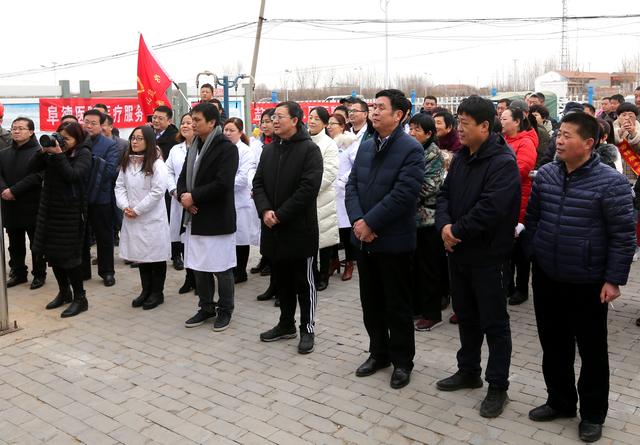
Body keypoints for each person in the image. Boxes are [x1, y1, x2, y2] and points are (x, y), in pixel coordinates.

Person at [524, 112, 635, 443]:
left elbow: (623, 236)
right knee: (553, 345)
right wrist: (534, 254)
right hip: (547, 276)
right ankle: (560, 401)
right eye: (559, 133)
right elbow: (533, 219)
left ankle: (592, 414)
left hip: (587, 280)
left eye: (568, 135)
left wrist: (613, 279)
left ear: (589, 143)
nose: (559, 139)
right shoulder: (546, 175)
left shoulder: (610, 183)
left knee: (592, 351)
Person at [434, 95, 520, 418]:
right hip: (458, 254)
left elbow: (491, 209)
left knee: (494, 323)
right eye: (458, 123)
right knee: (466, 316)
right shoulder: (460, 157)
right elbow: (445, 195)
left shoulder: (502, 162)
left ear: (485, 126)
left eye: (465, 124)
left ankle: (497, 385)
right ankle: (468, 370)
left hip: (488, 256)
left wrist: (456, 230)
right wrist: (444, 225)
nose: (460, 130)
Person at [346, 89, 424, 389]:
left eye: (381, 107)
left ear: (399, 115)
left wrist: (371, 222)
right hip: (365, 240)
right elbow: (352, 185)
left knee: (397, 305)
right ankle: (378, 352)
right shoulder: (366, 146)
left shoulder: (410, 149)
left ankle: (403, 361)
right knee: (371, 302)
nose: (374, 112)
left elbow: (404, 194)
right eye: (373, 106)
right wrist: (358, 222)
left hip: (393, 241)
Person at [253, 101, 323, 354]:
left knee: (304, 283)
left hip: (298, 229)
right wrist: (265, 211)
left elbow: (308, 190)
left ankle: (308, 328)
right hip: (273, 229)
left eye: (280, 117)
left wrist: (280, 215)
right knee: (281, 281)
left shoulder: (309, 150)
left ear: (295, 120)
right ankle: (286, 324)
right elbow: (258, 183)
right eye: (273, 117)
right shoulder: (269, 150)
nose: (274, 121)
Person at [177, 102, 238, 332]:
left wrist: (194, 197)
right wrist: (184, 196)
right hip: (195, 215)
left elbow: (223, 183)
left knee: (221, 268)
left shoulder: (226, 148)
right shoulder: (194, 146)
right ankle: (205, 306)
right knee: (199, 266)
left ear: (212, 122)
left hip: (217, 217)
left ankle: (225, 309)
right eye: (192, 118)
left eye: (197, 120)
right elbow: (184, 176)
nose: (192, 123)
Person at [29, 122, 91, 316]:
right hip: (50, 210)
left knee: (69, 258)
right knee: (53, 255)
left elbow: (73, 176)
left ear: (78, 139)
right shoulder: (53, 153)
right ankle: (64, 292)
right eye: (60, 136)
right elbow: (31, 168)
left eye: (67, 139)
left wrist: (58, 154)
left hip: (70, 213)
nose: (62, 142)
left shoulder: (84, 153)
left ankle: (80, 298)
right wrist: (43, 151)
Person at [115, 126, 170, 310]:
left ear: (148, 141)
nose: (135, 141)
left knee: (155, 256)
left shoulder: (156, 164)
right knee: (141, 256)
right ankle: (145, 291)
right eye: (133, 138)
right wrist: (125, 206)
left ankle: (157, 293)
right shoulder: (128, 162)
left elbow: (157, 192)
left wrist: (137, 209)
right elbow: (119, 186)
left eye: (139, 138)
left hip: (151, 217)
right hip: (132, 216)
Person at [408, 113, 446, 332]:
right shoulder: (411, 151)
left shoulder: (434, 155)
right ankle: (417, 307)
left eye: (417, 130)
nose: (412, 133)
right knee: (413, 267)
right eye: (410, 129)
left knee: (429, 268)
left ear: (429, 133)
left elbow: (430, 186)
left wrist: (404, 189)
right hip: (410, 219)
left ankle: (432, 313)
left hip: (428, 219)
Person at [0, 117, 47, 289]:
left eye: (21, 128)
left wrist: (14, 190)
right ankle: (18, 272)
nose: (16, 131)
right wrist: (5, 190)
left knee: (36, 242)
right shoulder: (4, 153)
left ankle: (39, 274)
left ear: (31, 131)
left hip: (31, 203)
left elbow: (37, 176)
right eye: (14, 128)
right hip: (9, 204)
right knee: (14, 243)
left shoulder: (40, 152)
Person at [500, 106, 538, 305]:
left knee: (521, 251)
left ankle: (522, 289)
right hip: (503, 200)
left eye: (505, 118)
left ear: (516, 121)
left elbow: (521, 170)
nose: (501, 120)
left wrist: (496, 175)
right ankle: (507, 286)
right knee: (507, 248)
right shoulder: (502, 140)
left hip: (521, 200)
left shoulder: (526, 142)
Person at [82, 109, 119, 286]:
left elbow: (111, 170)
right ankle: (83, 270)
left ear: (102, 125)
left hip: (100, 197)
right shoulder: (77, 141)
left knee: (104, 236)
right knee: (80, 235)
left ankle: (107, 272)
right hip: (79, 196)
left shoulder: (109, 145)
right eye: (86, 122)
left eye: (93, 123)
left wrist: (87, 160)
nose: (88, 126)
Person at [307, 107, 339, 291]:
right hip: (305, 198)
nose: (312, 121)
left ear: (325, 123)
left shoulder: (329, 144)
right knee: (309, 239)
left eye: (317, 119)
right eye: (310, 117)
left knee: (324, 238)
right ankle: (311, 272)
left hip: (322, 196)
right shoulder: (302, 140)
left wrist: (310, 190)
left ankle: (324, 274)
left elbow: (330, 172)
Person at [223, 117, 258, 284]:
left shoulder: (245, 151)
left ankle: (241, 271)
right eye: (226, 130)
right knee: (228, 237)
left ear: (240, 132)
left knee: (241, 237)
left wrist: (221, 184)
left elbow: (243, 178)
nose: (228, 133)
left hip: (240, 200)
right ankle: (230, 268)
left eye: (232, 130)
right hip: (224, 199)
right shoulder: (222, 149)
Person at [167, 114, 196, 294]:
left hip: (194, 202)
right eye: (183, 123)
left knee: (195, 242)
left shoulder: (202, 148)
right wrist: (174, 191)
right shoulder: (175, 149)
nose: (185, 126)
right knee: (184, 241)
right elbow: (168, 171)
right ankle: (189, 277)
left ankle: (201, 278)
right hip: (178, 201)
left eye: (189, 123)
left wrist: (190, 196)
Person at [328, 112, 358, 281]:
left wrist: (341, 181)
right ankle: (333, 261)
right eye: (329, 123)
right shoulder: (326, 143)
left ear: (342, 126)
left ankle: (349, 263)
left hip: (343, 191)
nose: (330, 126)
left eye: (334, 123)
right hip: (328, 191)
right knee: (331, 228)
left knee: (345, 230)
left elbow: (355, 167)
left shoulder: (350, 143)